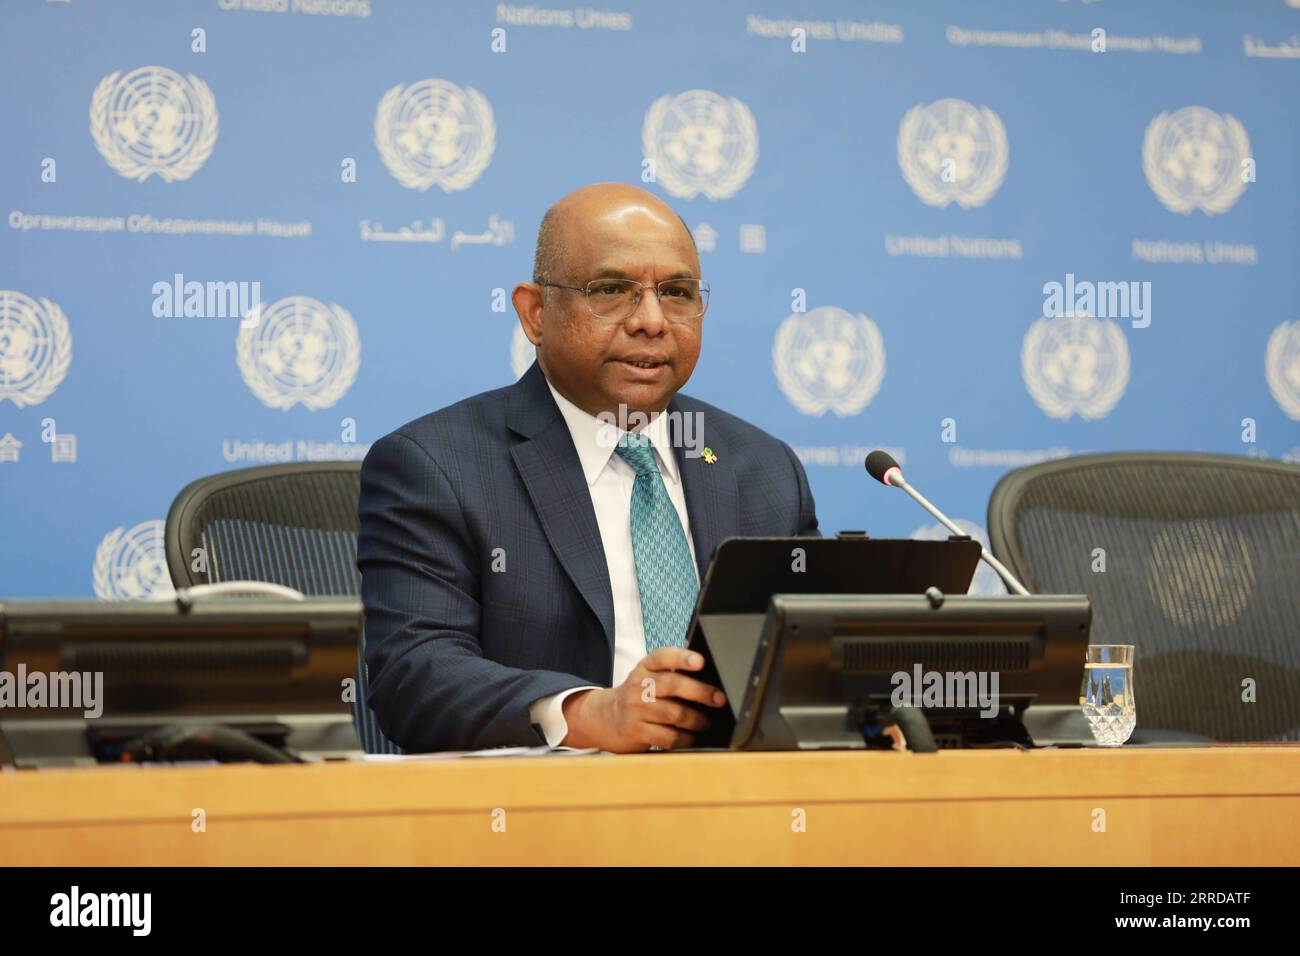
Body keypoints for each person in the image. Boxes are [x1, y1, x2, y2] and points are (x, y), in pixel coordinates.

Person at [357, 182, 819, 753]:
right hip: (545, 818)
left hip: (742, 810)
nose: (651, 320)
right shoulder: (436, 466)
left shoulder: (764, 468)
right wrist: (588, 713)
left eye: (676, 292)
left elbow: (807, 663)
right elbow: (415, 675)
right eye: (611, 290)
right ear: (535, 313)